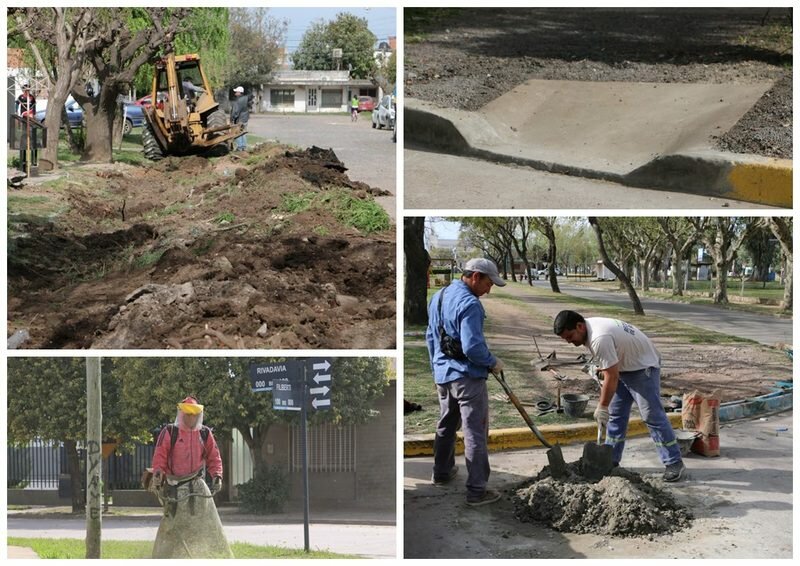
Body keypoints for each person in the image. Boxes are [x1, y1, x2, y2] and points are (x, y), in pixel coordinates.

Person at [553, 310, 685, 482]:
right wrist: (604, 369)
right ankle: (611, 460)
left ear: (579, 326)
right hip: (623, 367)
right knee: (615, 416)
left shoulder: (599, 337)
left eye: (570, 336)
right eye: (565, 339)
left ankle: (674, 462)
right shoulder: (588, 328)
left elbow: (612, 376)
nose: (569, 342)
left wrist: (602, 406)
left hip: (642, 367)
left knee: (652, 415)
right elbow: (611, 368)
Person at [426, 258, 506, 506]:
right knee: (475, 433)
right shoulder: (470, 304)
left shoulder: (439, 296)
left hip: (443, 375)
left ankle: (442, 473)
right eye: (489, 283)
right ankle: (477, 491)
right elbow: (472, 347)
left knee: (446, 425)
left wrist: (436, 371)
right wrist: (492, 362)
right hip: (467, 378)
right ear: (475, 277)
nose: (489, 289)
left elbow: (430, 337)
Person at [150, 396, 233, 558]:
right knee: (173, 526)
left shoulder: (204, 433)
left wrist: (217, 475)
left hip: (196, 484)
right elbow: (160, 455)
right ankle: (167, 557)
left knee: (205, 523)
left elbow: (214, 457)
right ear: (181, 414)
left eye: (194, 415)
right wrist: (158, 475)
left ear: (199, 415)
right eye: (187, 415)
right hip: (173, 485)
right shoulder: (169, 432)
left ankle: (210, 554)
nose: (191, 418)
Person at [230, 86, 249, 151]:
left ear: (239, 93)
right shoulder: (246, 99)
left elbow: (235, 112)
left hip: (239, 119)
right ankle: (244, 147)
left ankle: (240, 147)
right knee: (243, 132)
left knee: (238, 133)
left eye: (236, 92)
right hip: (245, 118)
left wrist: (232, 119)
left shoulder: (238, 100)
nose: (235, 93)